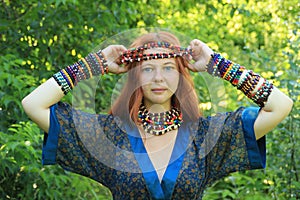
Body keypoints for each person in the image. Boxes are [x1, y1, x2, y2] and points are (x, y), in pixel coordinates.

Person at [22, 31, 293, 200]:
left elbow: (280, 105)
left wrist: (216, 64)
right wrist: (95, 64)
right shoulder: (110, 135)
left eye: (167, 68)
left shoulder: (206, 135)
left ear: (181, 75)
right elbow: (34, 104)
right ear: (136, 76)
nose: (159, 78)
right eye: (148, 69)